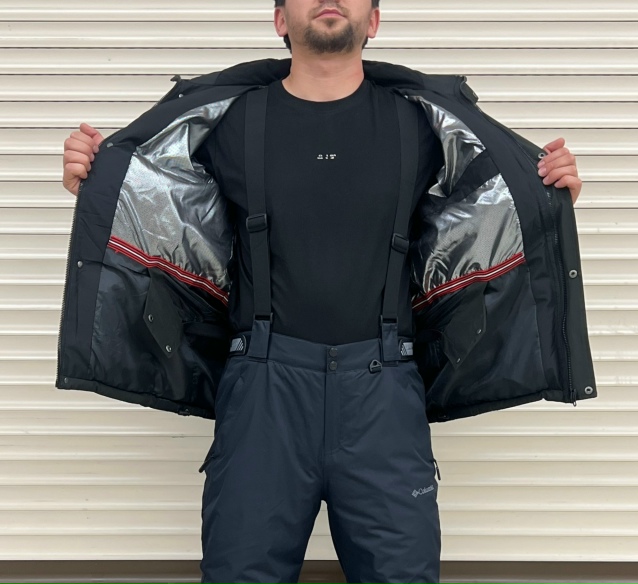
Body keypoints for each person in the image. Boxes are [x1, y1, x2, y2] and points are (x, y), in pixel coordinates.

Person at [61, 2, 585, 582]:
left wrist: (548, 196)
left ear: (374, 20)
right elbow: (159, 201)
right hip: (262, 397)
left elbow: (479, 217)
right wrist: (98, 179)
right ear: (280, 20)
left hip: (384, 397)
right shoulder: (229, 122)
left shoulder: (420, 124)